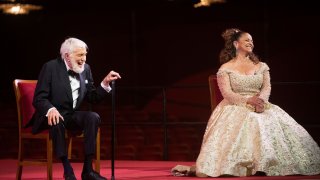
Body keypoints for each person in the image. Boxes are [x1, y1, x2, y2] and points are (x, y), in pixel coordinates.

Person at [172, 28, 320, 177]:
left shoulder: (261, 66)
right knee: (251, 120)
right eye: (247, 40)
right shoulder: (226, 68)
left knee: (269, 120)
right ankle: (245, 164)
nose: (251, 43)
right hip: (235, 105)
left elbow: (267, 87)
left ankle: (267, 163)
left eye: (252, 40)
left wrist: (261, 101)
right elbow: (227, 93)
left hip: (260, 103)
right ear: (236, 44)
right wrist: (248, 100)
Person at [27, 37, 121, 180]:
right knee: (56, 120)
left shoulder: (86, 69)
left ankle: (88, 170)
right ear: (67, 56)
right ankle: (67, 169)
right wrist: (50, 109)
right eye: (80, 55)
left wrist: (105, 83)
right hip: (51, 115)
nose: (84, 59)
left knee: (92, 117)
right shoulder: (50, 67)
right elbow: (39, 98)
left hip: (70, 115)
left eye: (85, 55)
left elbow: (92, 97)